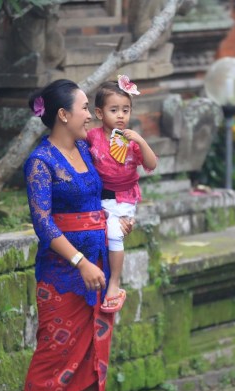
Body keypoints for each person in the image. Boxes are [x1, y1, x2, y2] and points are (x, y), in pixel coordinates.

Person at [17, 78, 131, 391]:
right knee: (52, 351)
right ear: (63, 115)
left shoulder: (87, 149)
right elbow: (43, 224)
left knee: (90, 357)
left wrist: (116, 219)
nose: (90, 114)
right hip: (62, 274)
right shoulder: (40, 162)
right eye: (84, 107)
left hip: (98, 267)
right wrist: (80, 261)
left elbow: (105, 193)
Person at [86, 75, 157, 313]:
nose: (120, 115)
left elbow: (151, 164)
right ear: (99, 113)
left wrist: (141, 141)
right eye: (114, 109)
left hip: (123, 198)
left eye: (125, 110)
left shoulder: (131, 141)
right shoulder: (92, 137)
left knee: (115, 233)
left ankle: (114, 283)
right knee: (99, 229)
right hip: (98, 198)